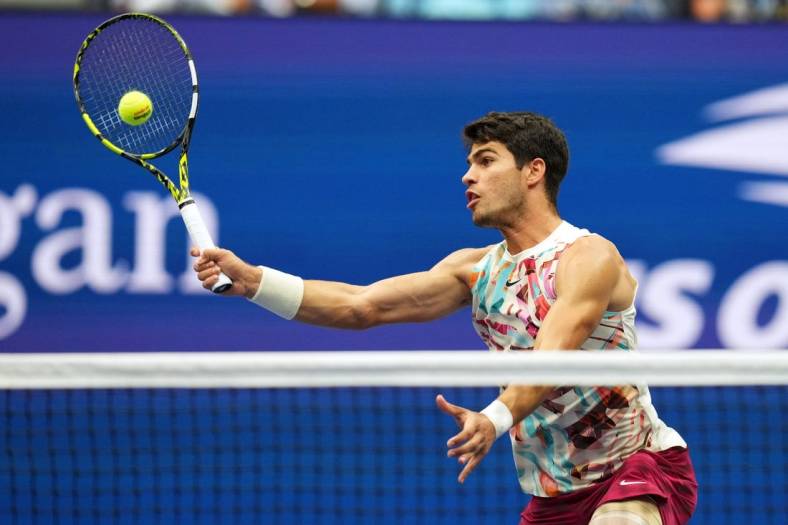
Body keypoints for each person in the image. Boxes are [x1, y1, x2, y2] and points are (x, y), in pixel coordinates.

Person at [191, 111, 698, 525]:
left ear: (533, 171)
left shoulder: (587, 256)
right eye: (469, 163)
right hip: (555, 495)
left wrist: (494, 418)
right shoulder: (475, 271)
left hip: (639, 467)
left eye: (485, 161)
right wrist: (255, 282)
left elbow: (554, 356)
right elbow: (361, 306)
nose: (467, 176)